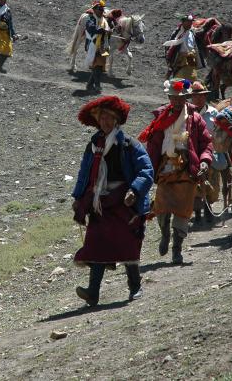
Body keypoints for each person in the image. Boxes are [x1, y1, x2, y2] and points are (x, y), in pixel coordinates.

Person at [72, 95, 154, 307]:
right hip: (100, 202)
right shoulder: (93, 146)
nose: (105, 122)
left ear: (116, 120)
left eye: (109, 118)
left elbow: (146, 170)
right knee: (96, 243)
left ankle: (135, 287)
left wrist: (134, 191)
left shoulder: (129, 145)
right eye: (102, 118)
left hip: (124, 202)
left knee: (127, 243)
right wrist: (78, 197)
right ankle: (93, 292)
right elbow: (84, 173)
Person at [137, 79, 213, 264]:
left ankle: (177, 249)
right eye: (174, 98)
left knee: (183, 211)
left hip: (188, 170)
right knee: (162, 208)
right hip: (165, 169)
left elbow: (206, 143)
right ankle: (165, 234)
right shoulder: (161, 118)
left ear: (186, 98)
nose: (178, 101)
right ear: (169, 98)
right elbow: (154, 145)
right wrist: (149, 167)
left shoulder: (195, 119)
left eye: (181, 98)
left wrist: (204, 162)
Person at [188, 81, 228, 224]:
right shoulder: (187, 113)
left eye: (201, 96)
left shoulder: (214, 113)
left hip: (211, 151)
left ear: (205, 97)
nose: (198, 99)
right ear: (191, 97)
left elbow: (220, 132)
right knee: (193, 182)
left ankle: (208, 207)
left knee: (213, 182)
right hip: (192, 152)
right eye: (195, 96)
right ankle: (197, 212)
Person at [83, 0, 111, 92]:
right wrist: (100, 30)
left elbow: (107, 31)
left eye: (102, 9)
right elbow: (91, 28)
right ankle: (97, 85)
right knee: (97, 65)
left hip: (103, 46)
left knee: (99, 66)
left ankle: (89, 85)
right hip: (93, 45)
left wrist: (109, 32)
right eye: (100, 9)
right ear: (94, 10)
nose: (102, 11)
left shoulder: (104, 20)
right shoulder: (90, 19)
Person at [164, 14, 200, 80]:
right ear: (183, 22)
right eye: (188, 22)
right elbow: (170, 47)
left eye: (191, 22)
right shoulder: (177, 33)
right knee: (179, 79)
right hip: (180, 61)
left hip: (191, 61)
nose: (190, 24)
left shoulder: (191, 33)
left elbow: (194, 46)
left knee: (192, 78)